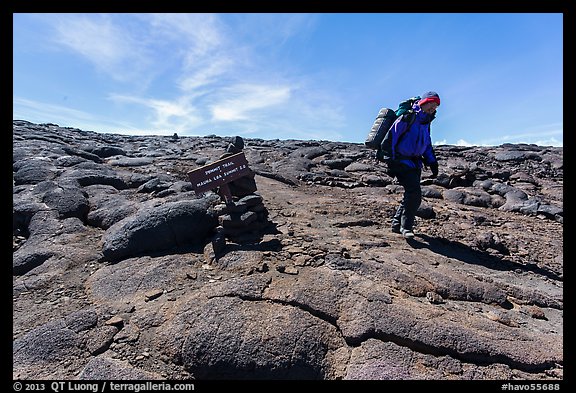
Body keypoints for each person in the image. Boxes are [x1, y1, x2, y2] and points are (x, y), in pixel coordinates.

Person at [386, 91, 440, 239]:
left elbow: (427, 144)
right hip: (401, 161)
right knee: (415, 194)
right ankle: (406, 227)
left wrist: (432, 162)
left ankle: (396, 224)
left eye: (435, 106)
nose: (433, 108)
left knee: (410, 194)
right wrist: (390, 161)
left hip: (415, 163)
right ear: (424, 103)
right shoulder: (408, 117)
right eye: (431, 104)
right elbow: (391, 137)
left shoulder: (425, 122)